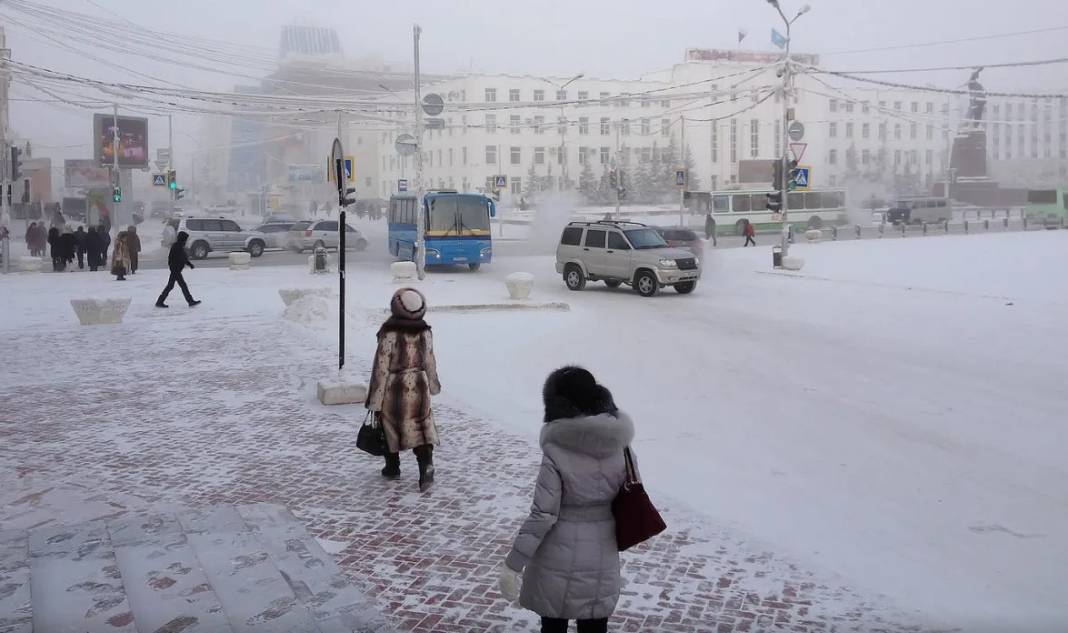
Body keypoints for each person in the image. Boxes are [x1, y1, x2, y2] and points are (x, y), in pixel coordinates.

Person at [498, 367, 634, 633]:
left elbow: (542, 515)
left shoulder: (556, 449)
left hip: (556, 555)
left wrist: (513, 564)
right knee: (595, 624)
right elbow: (630, 489)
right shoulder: (621, 444)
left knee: (553, 622)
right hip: (602, 548)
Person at [364, 288, 441, 492]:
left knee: (389, 426)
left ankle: (392, 467)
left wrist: (375, 401)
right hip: (419, 385)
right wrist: (433, 385)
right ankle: (426, 465)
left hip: (394, 388)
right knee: (421, 427)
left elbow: (381, 368)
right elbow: (429, 361)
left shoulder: (389, 333)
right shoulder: (425, 332)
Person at [156, 230, 200, 308]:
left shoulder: (179, 246)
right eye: (185, 239)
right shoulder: (177, 246)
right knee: (180, 285)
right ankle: (190, 301)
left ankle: (160, 301)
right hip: (175, 270)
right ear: (183, 239)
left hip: (176, 270)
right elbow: (173, 259)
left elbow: (183, 258)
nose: (186, 241)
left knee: (173, 286)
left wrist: (189, 264)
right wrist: (174, 269)